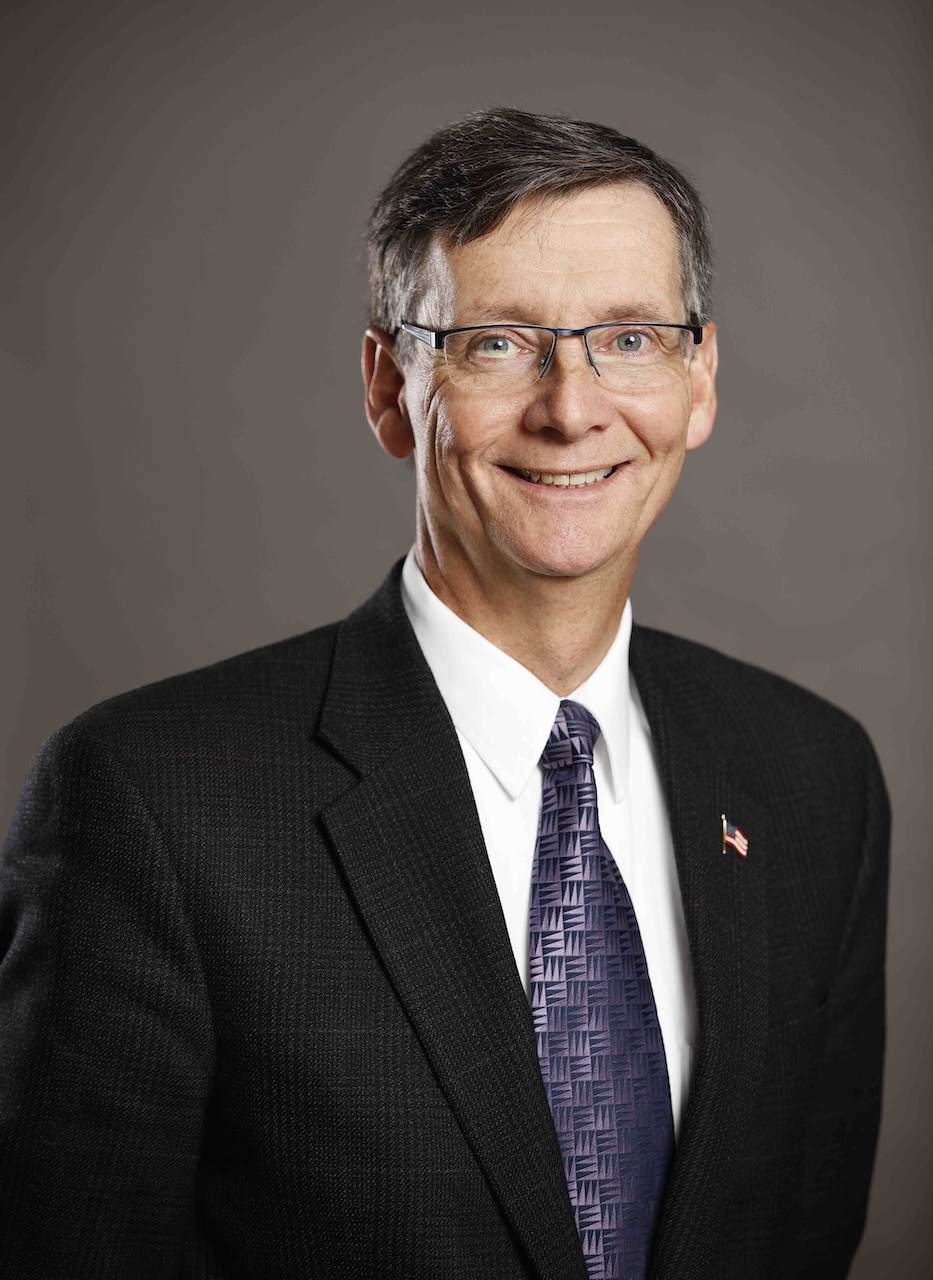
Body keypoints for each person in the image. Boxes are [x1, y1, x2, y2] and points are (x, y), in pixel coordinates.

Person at [0, 108, 888, 1280]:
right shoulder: (151, 799)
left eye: (629, 338)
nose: (572, 407)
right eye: (498, 343)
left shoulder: (812, 778)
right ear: (389, 385)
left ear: (700, 378)